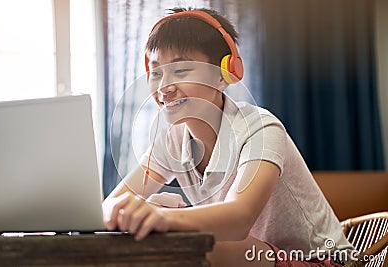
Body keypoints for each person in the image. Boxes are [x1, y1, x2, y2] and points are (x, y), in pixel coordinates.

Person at [102, 7, 354, 267]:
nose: (164, 87)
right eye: (156, 73)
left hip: (323, 260)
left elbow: (239, 219)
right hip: (258, 258)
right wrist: (132, 213)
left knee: (205, 244)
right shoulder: (172, 138)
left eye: (181, 71)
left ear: (225, 75)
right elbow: (112, 204)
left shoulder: (261, 128)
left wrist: (163, 217)